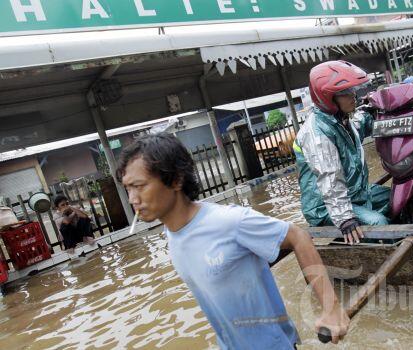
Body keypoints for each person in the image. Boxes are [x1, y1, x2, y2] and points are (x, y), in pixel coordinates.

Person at [116, 133, 349, 348]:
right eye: (128, 189)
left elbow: (298, 236)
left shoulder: (229, 221)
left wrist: (331, 307)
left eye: (139, 186)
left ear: (176, 180)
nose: (132, 199)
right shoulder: (172, 233)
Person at [293, 60, 390, 245]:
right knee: (379, 222)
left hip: (354, 193)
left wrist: (377, 109)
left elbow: (361, 124)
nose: (353, 96)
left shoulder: (342, 121)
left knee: (396, 198)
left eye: (352, 90)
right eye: (345, 93)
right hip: (324, 206)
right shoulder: (316, 132)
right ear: (327, 97)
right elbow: (330, 178)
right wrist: (345, 218)